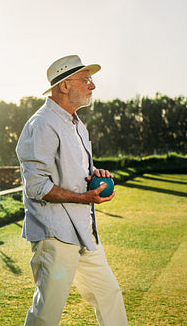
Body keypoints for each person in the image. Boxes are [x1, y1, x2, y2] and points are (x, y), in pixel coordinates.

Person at [16, 55, 128, 326]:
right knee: (47, 314)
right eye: (86, 80)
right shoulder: (42, 124)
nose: (92, 86)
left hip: (84, 232)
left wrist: (94, 175)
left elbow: (74, 170)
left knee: (109, 295)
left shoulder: (75, 123)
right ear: (64, 86)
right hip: (55, 234)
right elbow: (36, 186)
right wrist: (84, 197)